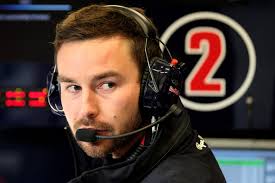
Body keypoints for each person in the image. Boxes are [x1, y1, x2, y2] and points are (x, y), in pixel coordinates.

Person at [47, 4, 226, 183]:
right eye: (74, 87)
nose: (86, 109)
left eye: (107, 85)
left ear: (152, 86)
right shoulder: (117, 153)